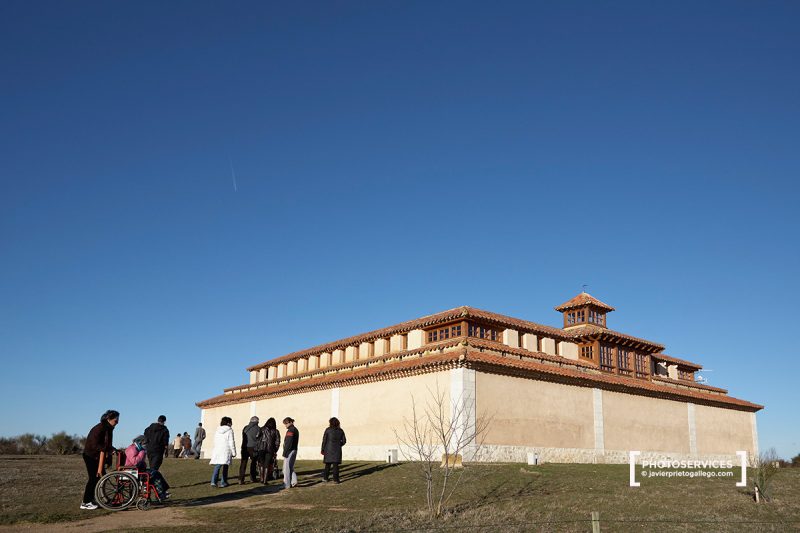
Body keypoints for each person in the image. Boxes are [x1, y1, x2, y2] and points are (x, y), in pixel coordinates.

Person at [81, 409, 119, 510]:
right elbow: (94, 444)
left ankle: (93, 499)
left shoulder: (109, 429)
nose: (117, 423)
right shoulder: (99, 428)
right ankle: (85, 502)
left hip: (99, 456)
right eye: (116, 421)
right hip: (90, 455)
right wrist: (108, 450)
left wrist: (112, 449)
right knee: (93, 478)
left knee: (101, 478)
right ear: (108, 419)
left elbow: (107, 445)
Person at [124, 436, 170, 500]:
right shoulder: (132, 449)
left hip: (137, 470)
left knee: (156, 473)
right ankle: (160, 494)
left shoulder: (138, 448)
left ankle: (162, 492)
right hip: (131, 471)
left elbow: (139, 462)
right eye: (146, 444)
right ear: (140, 442)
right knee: (154, 474)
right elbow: (135, 462)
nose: (147, 446)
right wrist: (142, 452)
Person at [210, 416, 236, 488]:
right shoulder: (230, 430)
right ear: (228, 423)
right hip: (226, 450)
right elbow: (231, 442)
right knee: (225, 466)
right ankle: (223, 482)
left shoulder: (217, 430)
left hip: (218, 450)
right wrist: (234, 452)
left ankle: (213, 481)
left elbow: (215, 441)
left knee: (217, 466)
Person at [321, 417, 347, 484]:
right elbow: (344, 441)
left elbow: (324, 440)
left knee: (327, 465)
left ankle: (325, 478)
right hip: (337, 450)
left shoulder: (328, 430)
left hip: (328, 449)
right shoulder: (341, 430)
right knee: (336, 466)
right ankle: (336, 480)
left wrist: (322, 449)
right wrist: (339, 445)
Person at [256, 417, 280, 484]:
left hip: (261, 449)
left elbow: (257, 438)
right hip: (270, 450)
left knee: (261, 464)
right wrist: (275, 450)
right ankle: (265, 480)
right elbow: (277, 442)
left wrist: (258, 447)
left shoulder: (261, 429)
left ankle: (261, 478)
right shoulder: (276, 431)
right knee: (267, 465)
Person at [239, 416, 260, 484]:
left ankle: (241, 479)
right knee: (253, 463)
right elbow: (258, 438)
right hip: (253, 448)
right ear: (257, 422)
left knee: (243, 463)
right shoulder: (258, 428)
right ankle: (252, 478)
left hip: (244, 447)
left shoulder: (245, 427)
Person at [282, 417, 299, 489]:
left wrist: (285, 452)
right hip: (294, 450)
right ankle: (294, 482)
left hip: (289, 451)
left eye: (286, 423)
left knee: (286, 469)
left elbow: (288, 442)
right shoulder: (295, 429)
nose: (285, 425)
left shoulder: (290, 430)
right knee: (290, 467)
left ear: (290, 422)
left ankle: (287, 485)